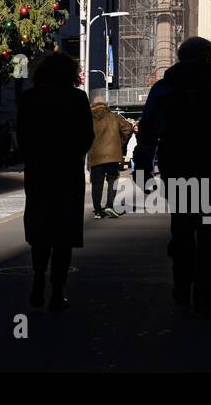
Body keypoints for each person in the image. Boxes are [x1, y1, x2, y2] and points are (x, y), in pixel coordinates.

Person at [136, 36, 211, 318]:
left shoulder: (163, 90)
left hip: (178, 172)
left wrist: (144, 173)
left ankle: (181, 284)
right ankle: (205, 296)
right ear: (207, 57)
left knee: (183, 230)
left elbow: (148, 131)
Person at [17, 50, 92, 311]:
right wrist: (73, 154)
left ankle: (38, 278)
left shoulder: (29, 98)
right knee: (63, 233)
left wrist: (33, 158)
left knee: (40, 230)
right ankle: (58, 291)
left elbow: (22, 135)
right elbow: (86, 135)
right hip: (67, 172)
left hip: (39, 172)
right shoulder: (77, 98)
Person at [88, 92, 135, 219]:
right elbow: (129, 129)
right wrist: (121, 143)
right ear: (106, 105)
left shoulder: (88, 118)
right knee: (112, 179)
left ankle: (97, 210)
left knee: (97, 183)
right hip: (113, 155)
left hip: (96, 156)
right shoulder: (114, 117)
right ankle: (109, 206)